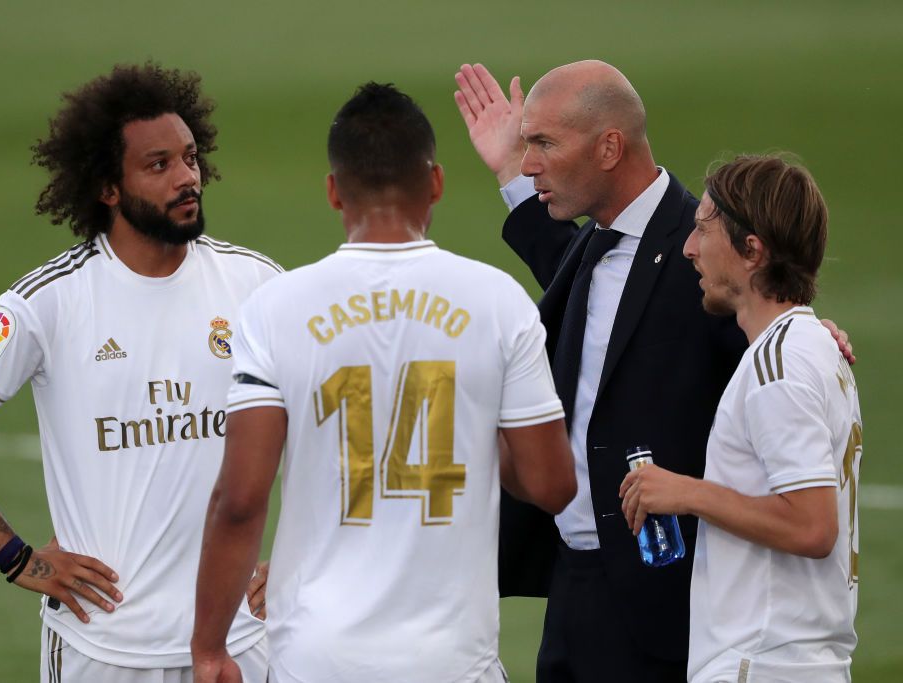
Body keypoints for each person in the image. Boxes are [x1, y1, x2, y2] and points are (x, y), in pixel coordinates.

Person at [453, 61, 855, 682]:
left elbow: (764, 313)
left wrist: (807, 331)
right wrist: (508, 170)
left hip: (661, 594)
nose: (532, 161)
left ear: (609, 147)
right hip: (572, 581)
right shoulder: (597, 243)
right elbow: (576, 276)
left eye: (544, 144)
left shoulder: (703, 249)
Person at [190, 82, 577, 683]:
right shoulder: (498, 301)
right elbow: (552, 486)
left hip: (316, 659)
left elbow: (240, 501)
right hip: (452, 661)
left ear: (332, 192)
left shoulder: (276, 307)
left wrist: (211, 648)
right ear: (437, 184)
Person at [0, 63, 278, 682]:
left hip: (241, 642)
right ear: (108, 187)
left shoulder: (258, 285)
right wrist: (16, 557)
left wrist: (299, 559)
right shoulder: (49, 301)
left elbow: (336, 421)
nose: (188, 178)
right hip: (102, 653)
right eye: (158, 165)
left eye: (189, 158)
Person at [620, 155, 861, 682]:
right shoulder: (811, 346)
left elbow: (811, 525)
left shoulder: (780, 365)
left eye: (703, 229)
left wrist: (684, 493)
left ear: (751, 250)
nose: (688, 248)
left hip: (765, 659)